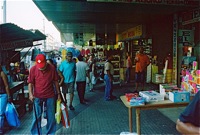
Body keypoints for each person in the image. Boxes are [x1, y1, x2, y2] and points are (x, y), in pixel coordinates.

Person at [28, 54, 61, 135]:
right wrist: (30, 94)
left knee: (51, 117)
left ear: (46, 62)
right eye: (39, 66)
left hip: (50, 95)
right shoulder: (33, 69)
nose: (41, 67)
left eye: (42, 65)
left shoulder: (52, 68)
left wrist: (59, 94)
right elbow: (30, 83)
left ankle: (50, 133)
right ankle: (36, 133)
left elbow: (56, 81)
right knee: (36, 116)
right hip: (37, 96)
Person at [0, 64, 11, 135]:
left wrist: (9, 96)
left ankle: (0, 129)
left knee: (1, 113)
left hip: (3, 94)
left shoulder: (2, 73)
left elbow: (6, 85)